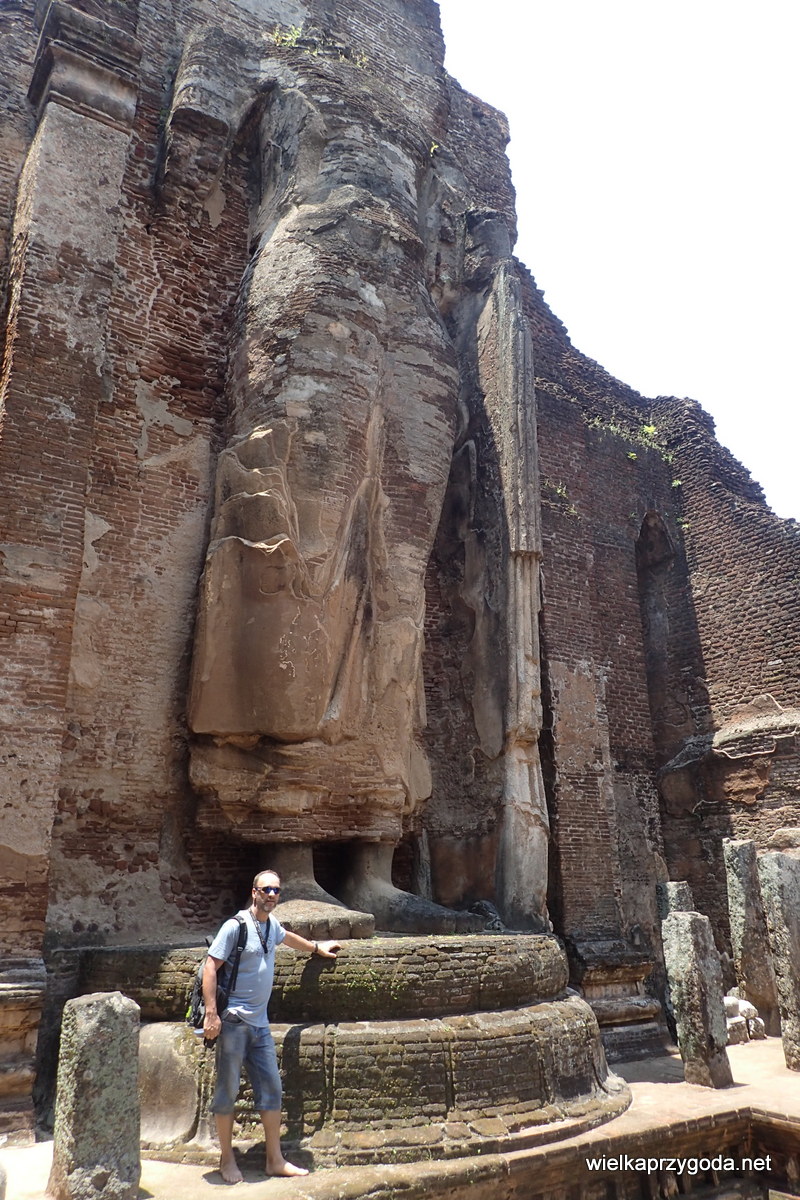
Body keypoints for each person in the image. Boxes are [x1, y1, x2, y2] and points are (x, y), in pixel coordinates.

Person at [202, 868, 340, 1184]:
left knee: (272, 1090)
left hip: (260, 1025)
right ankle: (227, 1159)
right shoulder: (235, 926)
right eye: (266, 889)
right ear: (254, 892)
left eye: (276, 890)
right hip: (234, 1021)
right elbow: (210, 966)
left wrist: (316, 948)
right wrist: (212, 1014)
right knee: (227, 1091)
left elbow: (287, 937)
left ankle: (274, 1160)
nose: (272, 895)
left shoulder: (270, 925)